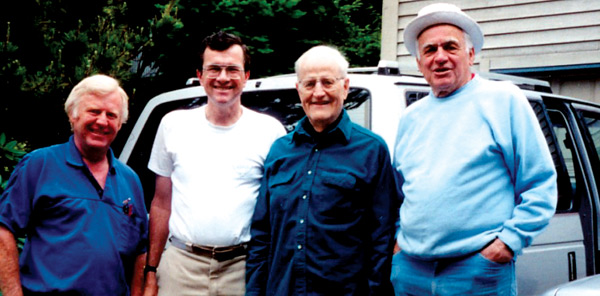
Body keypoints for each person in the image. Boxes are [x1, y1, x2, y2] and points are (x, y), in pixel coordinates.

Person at [391, 3, 558, 296]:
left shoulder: (503, 99)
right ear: (419, 63)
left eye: (450, 47)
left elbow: (540, 184)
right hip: (411, 271)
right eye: (429, 50)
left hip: (476, 270)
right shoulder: (411, 116)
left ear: (471, 55)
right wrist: (398, 247)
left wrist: (506, 244)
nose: (440, 57)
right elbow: (400, 192)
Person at [245, 45, 399, 296]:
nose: (318, 92)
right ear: (299, 90)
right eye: (309, 84)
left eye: (328, 82)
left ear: (345, 87)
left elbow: (381, 240)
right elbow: (262, 236)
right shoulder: (279, 152)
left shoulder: (371, 150)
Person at [142, 31, 286, 296]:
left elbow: (278, 211)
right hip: (180, 268)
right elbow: (161, 203)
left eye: (232, 69)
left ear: (246, 76)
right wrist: (151, 272)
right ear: (200, 75)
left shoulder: (270, 132)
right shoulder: (173, 125)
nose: (222, 77)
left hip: (242, 269)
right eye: (214, 69)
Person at [0, 74, 148, 295]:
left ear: (120, 123)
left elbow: (140, 252)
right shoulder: (40, 165)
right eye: (94, 111)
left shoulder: (130, 180)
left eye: (111, 115)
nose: (102, 121)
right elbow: (4, 229)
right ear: (73, 115)